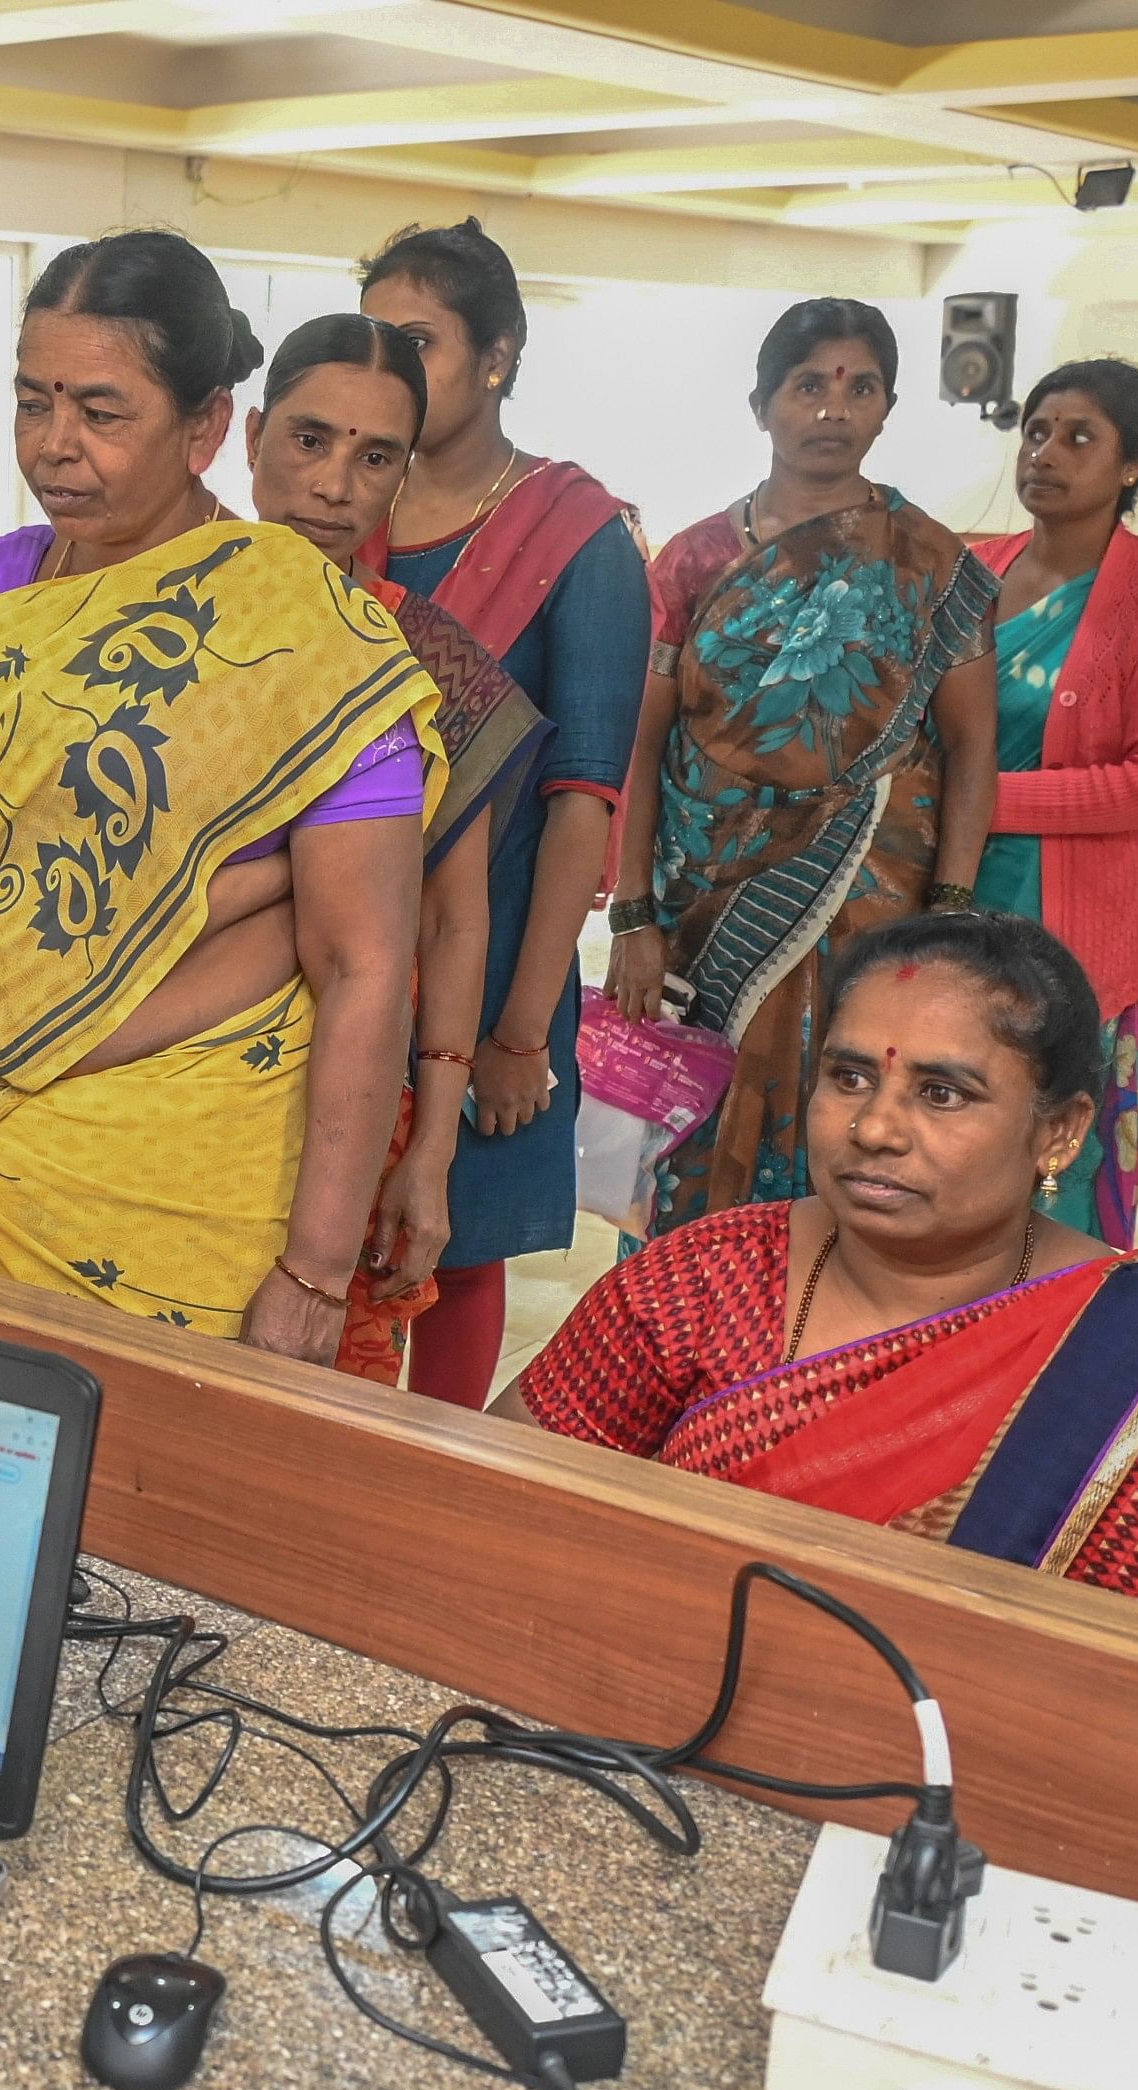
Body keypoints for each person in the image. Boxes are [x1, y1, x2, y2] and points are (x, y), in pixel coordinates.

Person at [503, 914, 1138, 1672]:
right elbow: (491, 1503)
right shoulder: (701, 1278)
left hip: (978, 1836)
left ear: (1057, 1133)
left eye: (941, 1093)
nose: (872, 1127)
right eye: (849, 1075)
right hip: (651, 1764)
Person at [0, 231, 432, 1364]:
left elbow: (366, 962)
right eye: (32, 402)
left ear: (205, 427)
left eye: (102, 412)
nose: (57, 446)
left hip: (173, 1175)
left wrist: (316, 1267)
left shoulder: (301, 631)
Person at [610, 298, 999, 1234]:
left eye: (859, 387)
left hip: (869, 904)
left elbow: (970, 746)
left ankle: (813, 1329)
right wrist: (631, 914)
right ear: (762, 406)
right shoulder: (694, 558)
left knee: (850, 1110)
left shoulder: (930, 561)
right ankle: (679, 1328)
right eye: (808, 385)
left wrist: (944, 920)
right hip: (700, 903)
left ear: (886, 408)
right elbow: (643, 738)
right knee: (689, 1138)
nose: (833, 407)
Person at [353, 217, 643, 1404]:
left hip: (503, 936)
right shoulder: (345, 504)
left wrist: (521, 1031)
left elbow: (587, 794)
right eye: (377, 339)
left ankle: (438, 1473)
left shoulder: (579, 536)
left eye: (416, 340)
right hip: (352, 932)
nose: (391, 368)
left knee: (457, 1243)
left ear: (499, 357)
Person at [237, 313, 508, 1387]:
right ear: (250, 433)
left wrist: (432, 1150)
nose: (335, 483)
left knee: (312, 1423)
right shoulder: (154, 623)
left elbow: (452, 917)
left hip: (347, 1111)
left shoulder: (432, 657)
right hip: (154, 1094)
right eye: (309, 439)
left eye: (376, 456)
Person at [968, 360, 1138, 1244]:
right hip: (950, 915)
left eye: (1080, 438)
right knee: (945, 1157)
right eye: (1036, 432)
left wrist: (975, 802)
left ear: (1132, 467)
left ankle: (1048, 1355)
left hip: (1075, 940)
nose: (1046, 454)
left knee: (1048, 1189)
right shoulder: (972, 572)